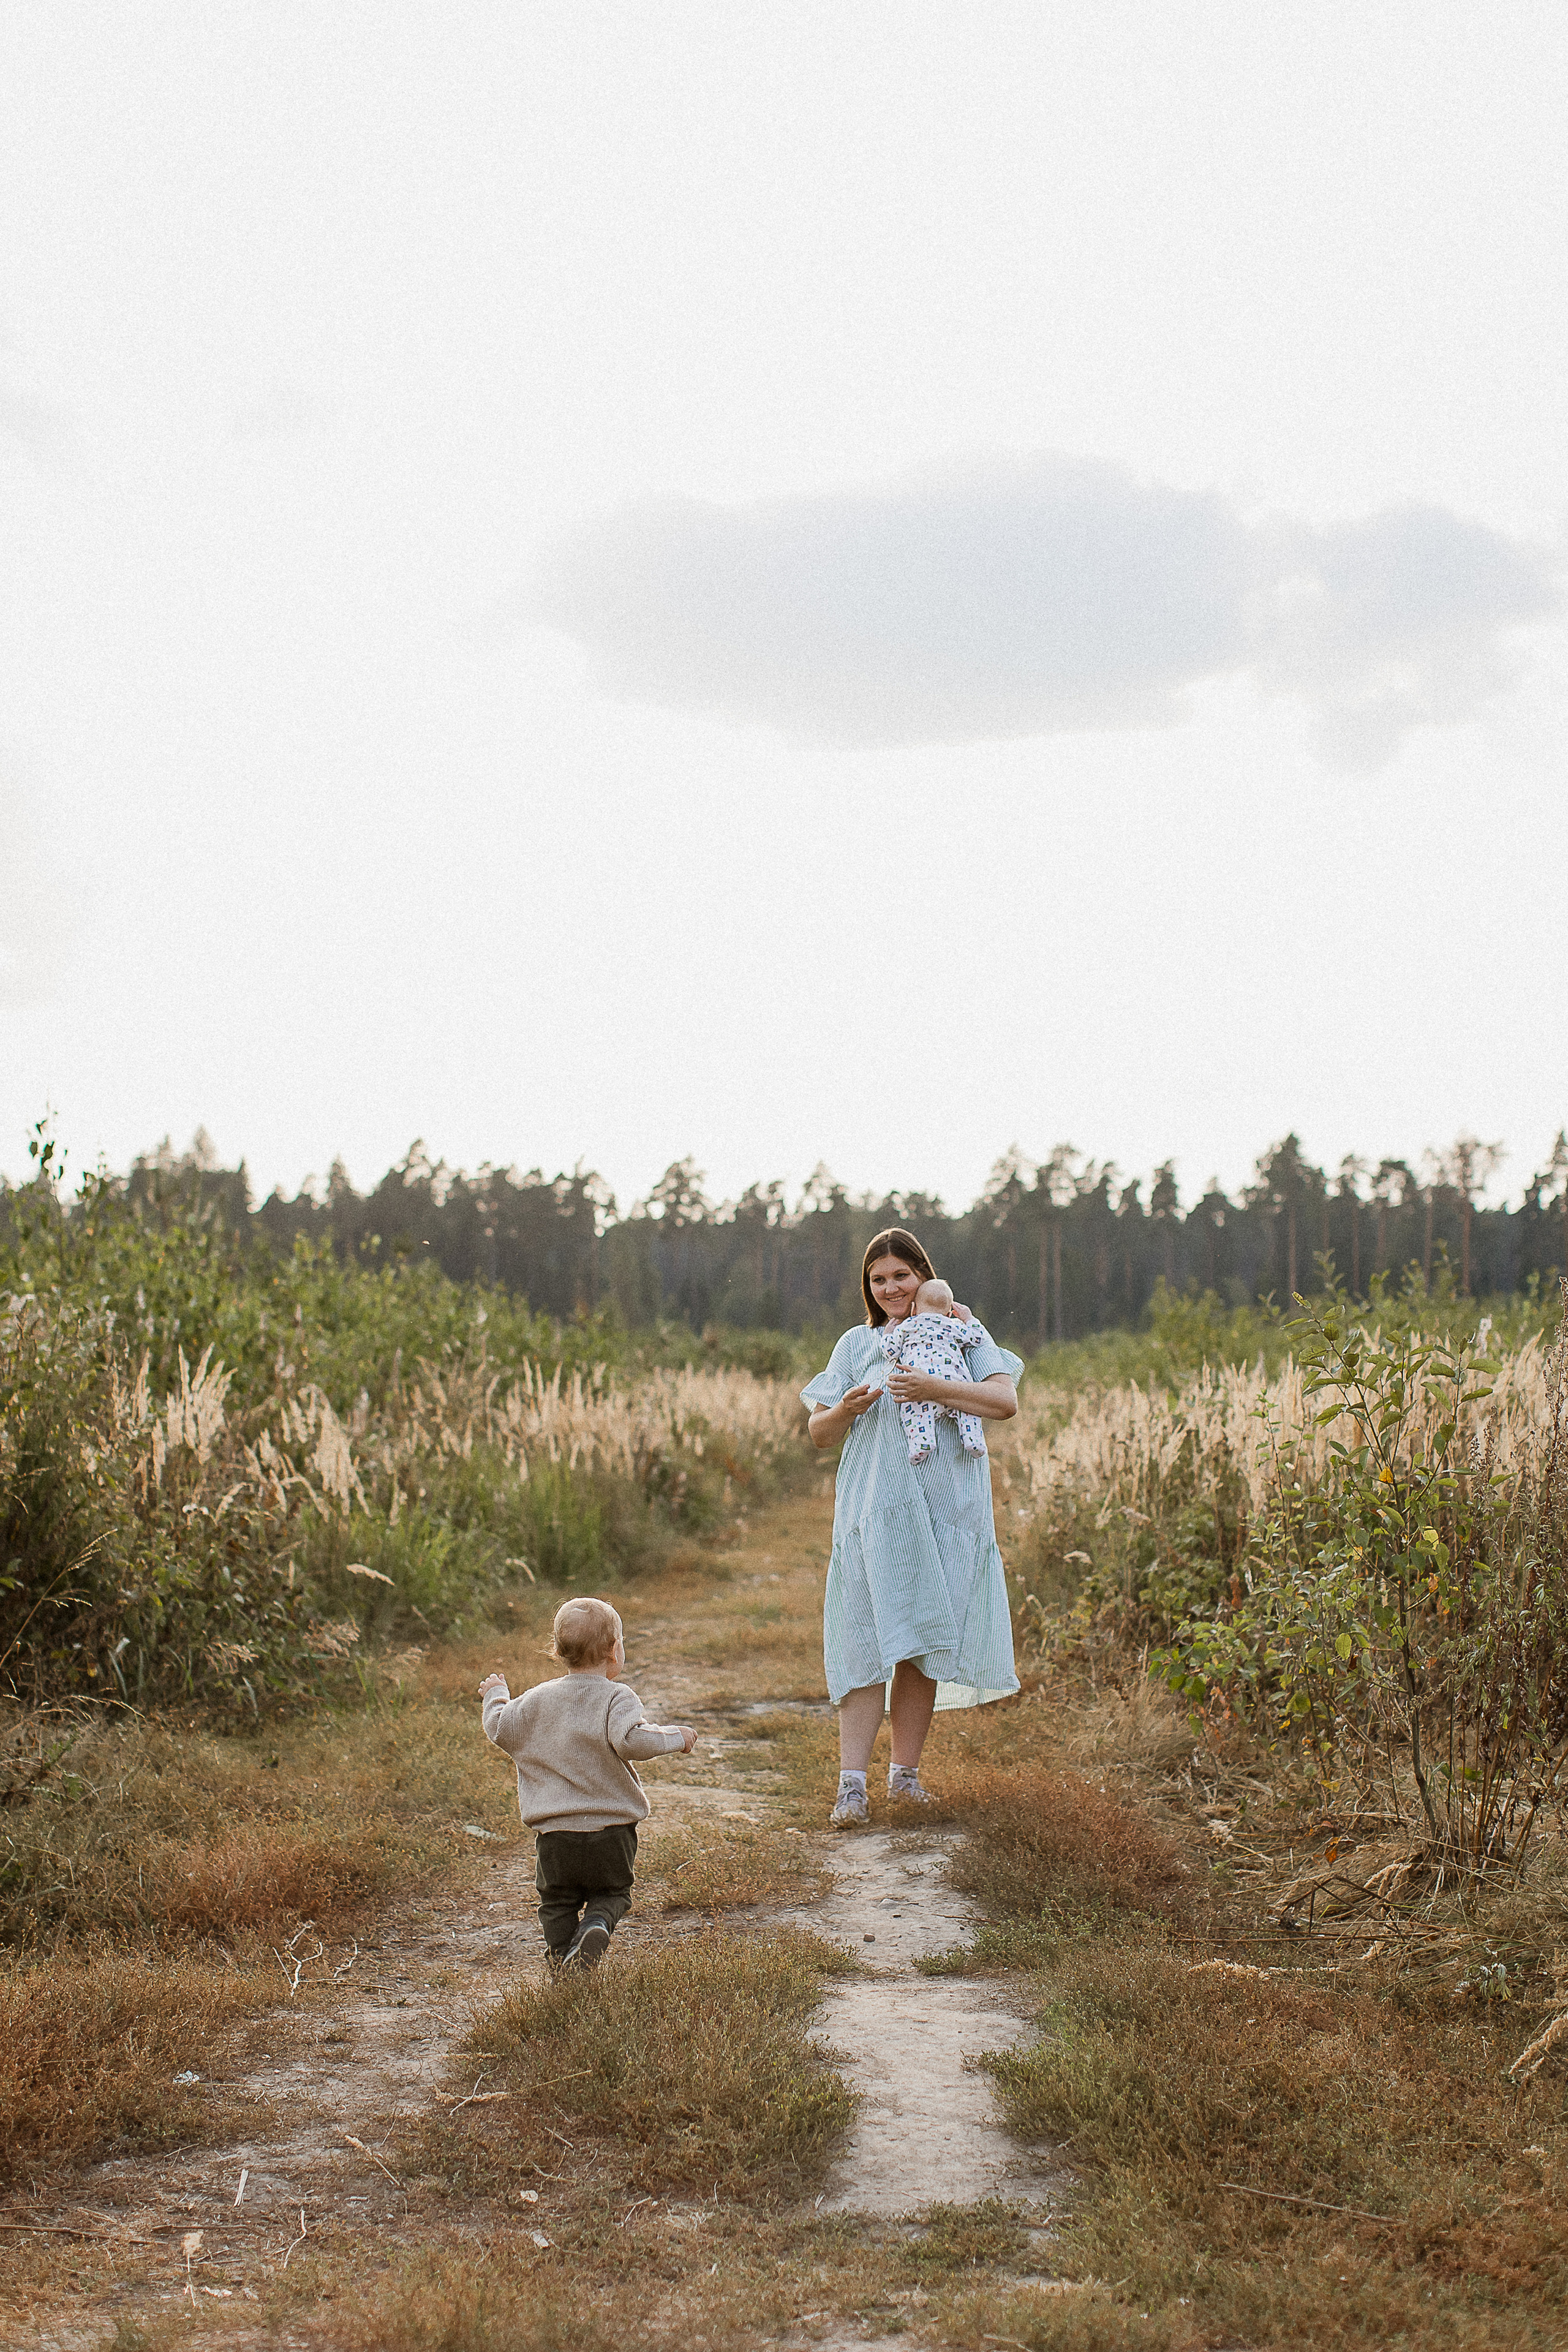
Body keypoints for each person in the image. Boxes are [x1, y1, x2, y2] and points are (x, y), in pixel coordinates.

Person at [802, 1229, 1022, 1826]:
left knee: (920, 1645)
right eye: (879, 1279)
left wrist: (931, 1387)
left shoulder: (961, 1329)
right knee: (866, 1639)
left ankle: (904, 1778)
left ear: (923, 1274)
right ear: (868, 1289)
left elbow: (1002, 1401)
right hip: (876, 1509)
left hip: (947, 1509)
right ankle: (851, 1786)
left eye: (901, 1274)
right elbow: (818, 1433)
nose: (891, 1287)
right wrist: (845, 1409)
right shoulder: (856, 1342)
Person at [478, 1597, 696, 1967]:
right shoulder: (617, 1697)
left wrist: (497, 1695)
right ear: (614, 1651)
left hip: (556, 1837)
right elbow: (631, 1740)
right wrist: (675, 1736)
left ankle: (563, 1956)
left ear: (559, 1650)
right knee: (613, 1893)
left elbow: (499, 1727)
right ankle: (597, 1923)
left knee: (557, 1902)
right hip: (611, 1832)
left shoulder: (536, 1700)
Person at [878, 1276, 989, 1461]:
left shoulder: (908, 1325)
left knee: (914, 1412)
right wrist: (969, 1318)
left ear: (914, 1309)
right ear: (949, 1313)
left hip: (920, 1389)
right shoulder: (953, 1325)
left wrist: (887, 1335)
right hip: (954, 1386)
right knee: (969, 1411)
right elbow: (977, 1338)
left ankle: (922, 1443)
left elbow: (890, 1352)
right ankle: (974, 1440)